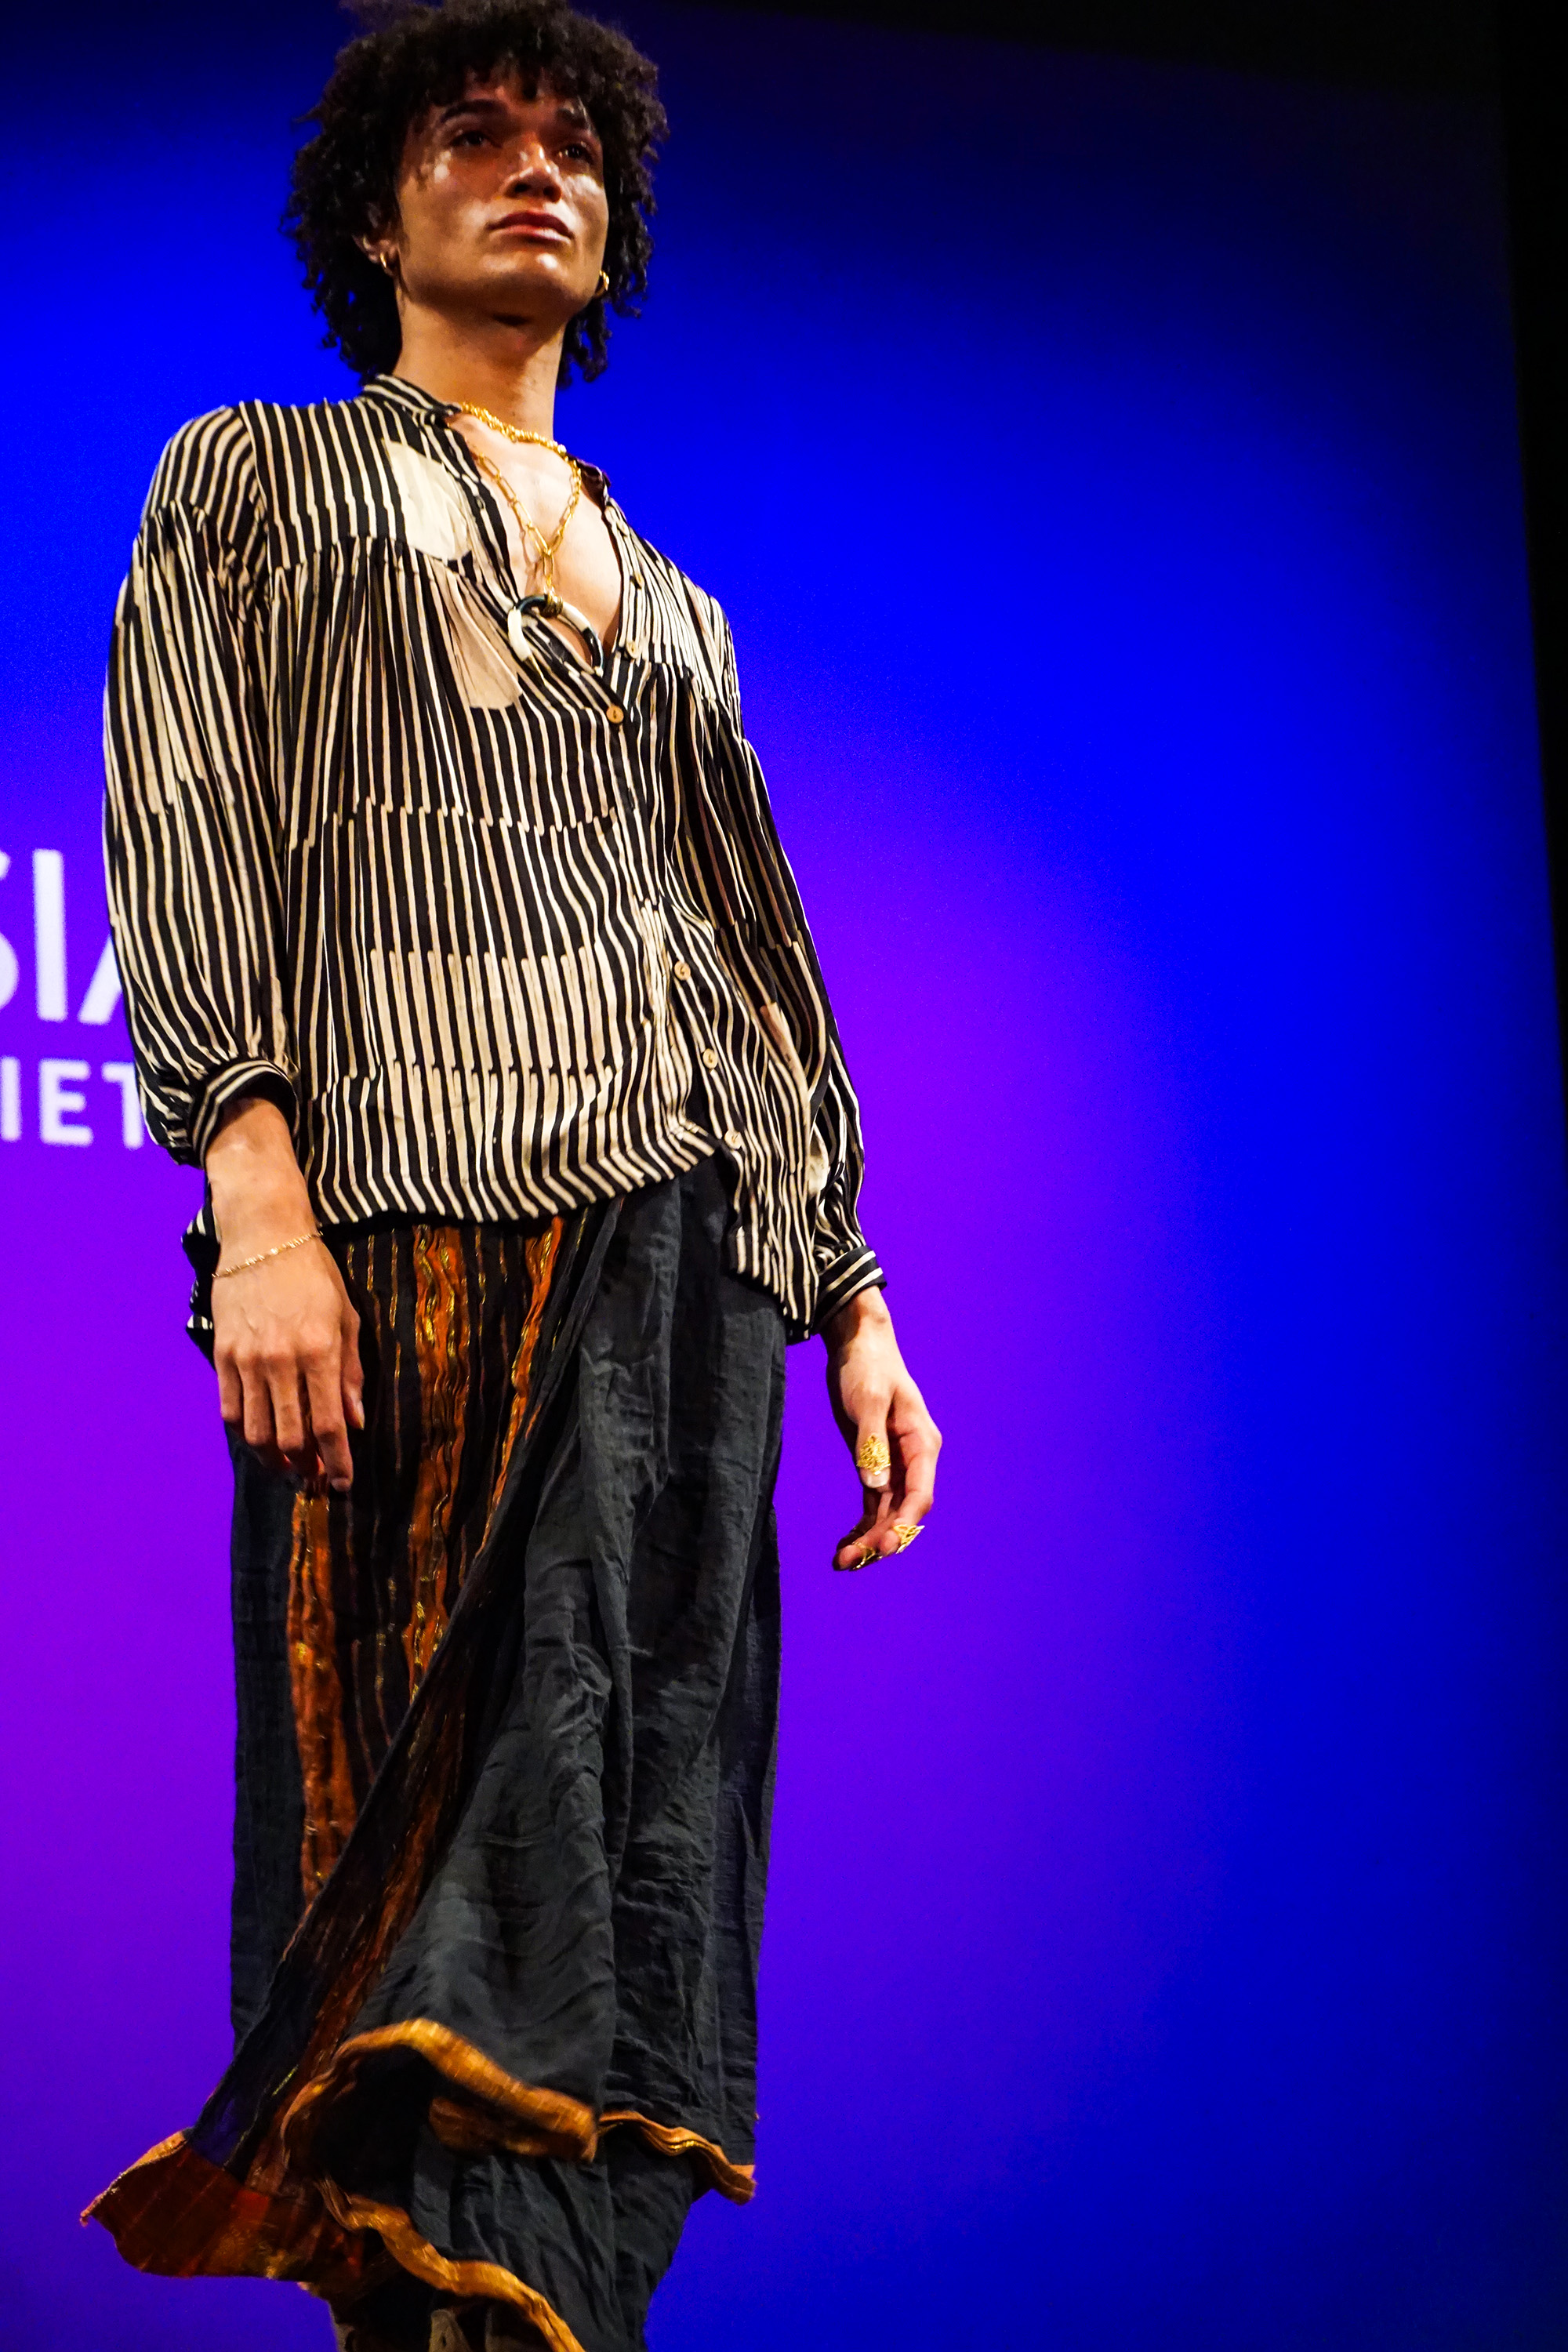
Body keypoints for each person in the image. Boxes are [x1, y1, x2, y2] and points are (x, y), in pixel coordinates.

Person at [85, 2, 939, 2348]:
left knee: (625, 1862)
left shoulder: (676, 606)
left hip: (690, 1287)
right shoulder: (258, 476)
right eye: (476, 137)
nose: (534, 171)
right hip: (429, 1230)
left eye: (573, 147)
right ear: (382, 210)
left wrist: (850, 1298)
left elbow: (752, 964)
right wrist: (254, 1198)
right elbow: (184, 822)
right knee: (429, 1868)